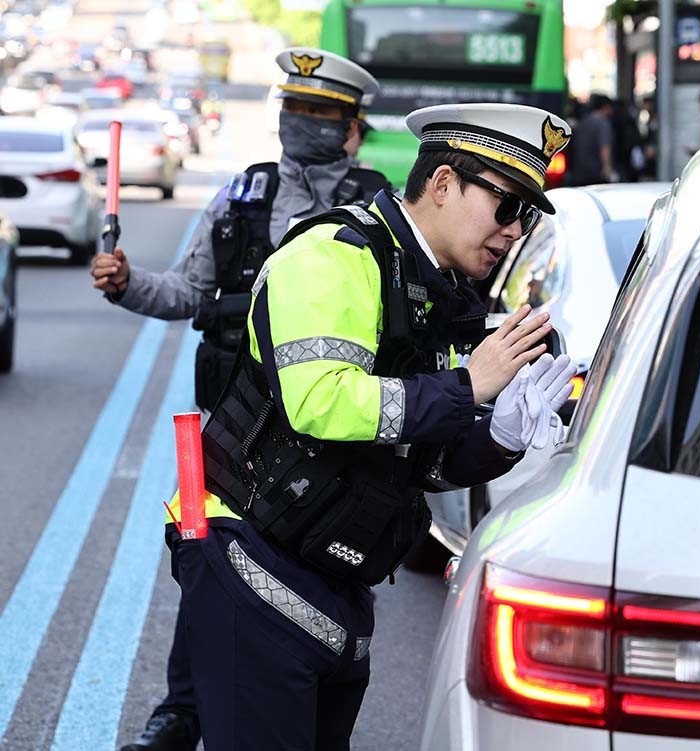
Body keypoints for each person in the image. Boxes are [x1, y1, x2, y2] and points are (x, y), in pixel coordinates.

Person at [168, 102, 576, 750]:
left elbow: (418, 460)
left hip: (334, 589)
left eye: (525, 216)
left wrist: (498, 435)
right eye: (506, 206)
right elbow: (321, 401)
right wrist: (467, 385)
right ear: (443, 185)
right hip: (255, 565)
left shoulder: (437, 295)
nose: (512, 231)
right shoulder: (333, 256)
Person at [100, 48, 391, 751]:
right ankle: (181, 710)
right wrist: (126, 283)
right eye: (295, 110)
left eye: (322, 114)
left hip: (330, 444)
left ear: (352, 130)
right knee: (206, 567)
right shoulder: (242, 194)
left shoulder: (377, 208)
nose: (304, 125)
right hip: (226, 436)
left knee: (313, 581)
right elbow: (189, 292)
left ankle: (307, 704)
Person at [568, 92, 614, 185]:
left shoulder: (583, 122)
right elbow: (604, 147)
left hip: (579, 172)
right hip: (596, 174)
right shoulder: (603, 123)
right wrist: (607, 169)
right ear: (605, 107)